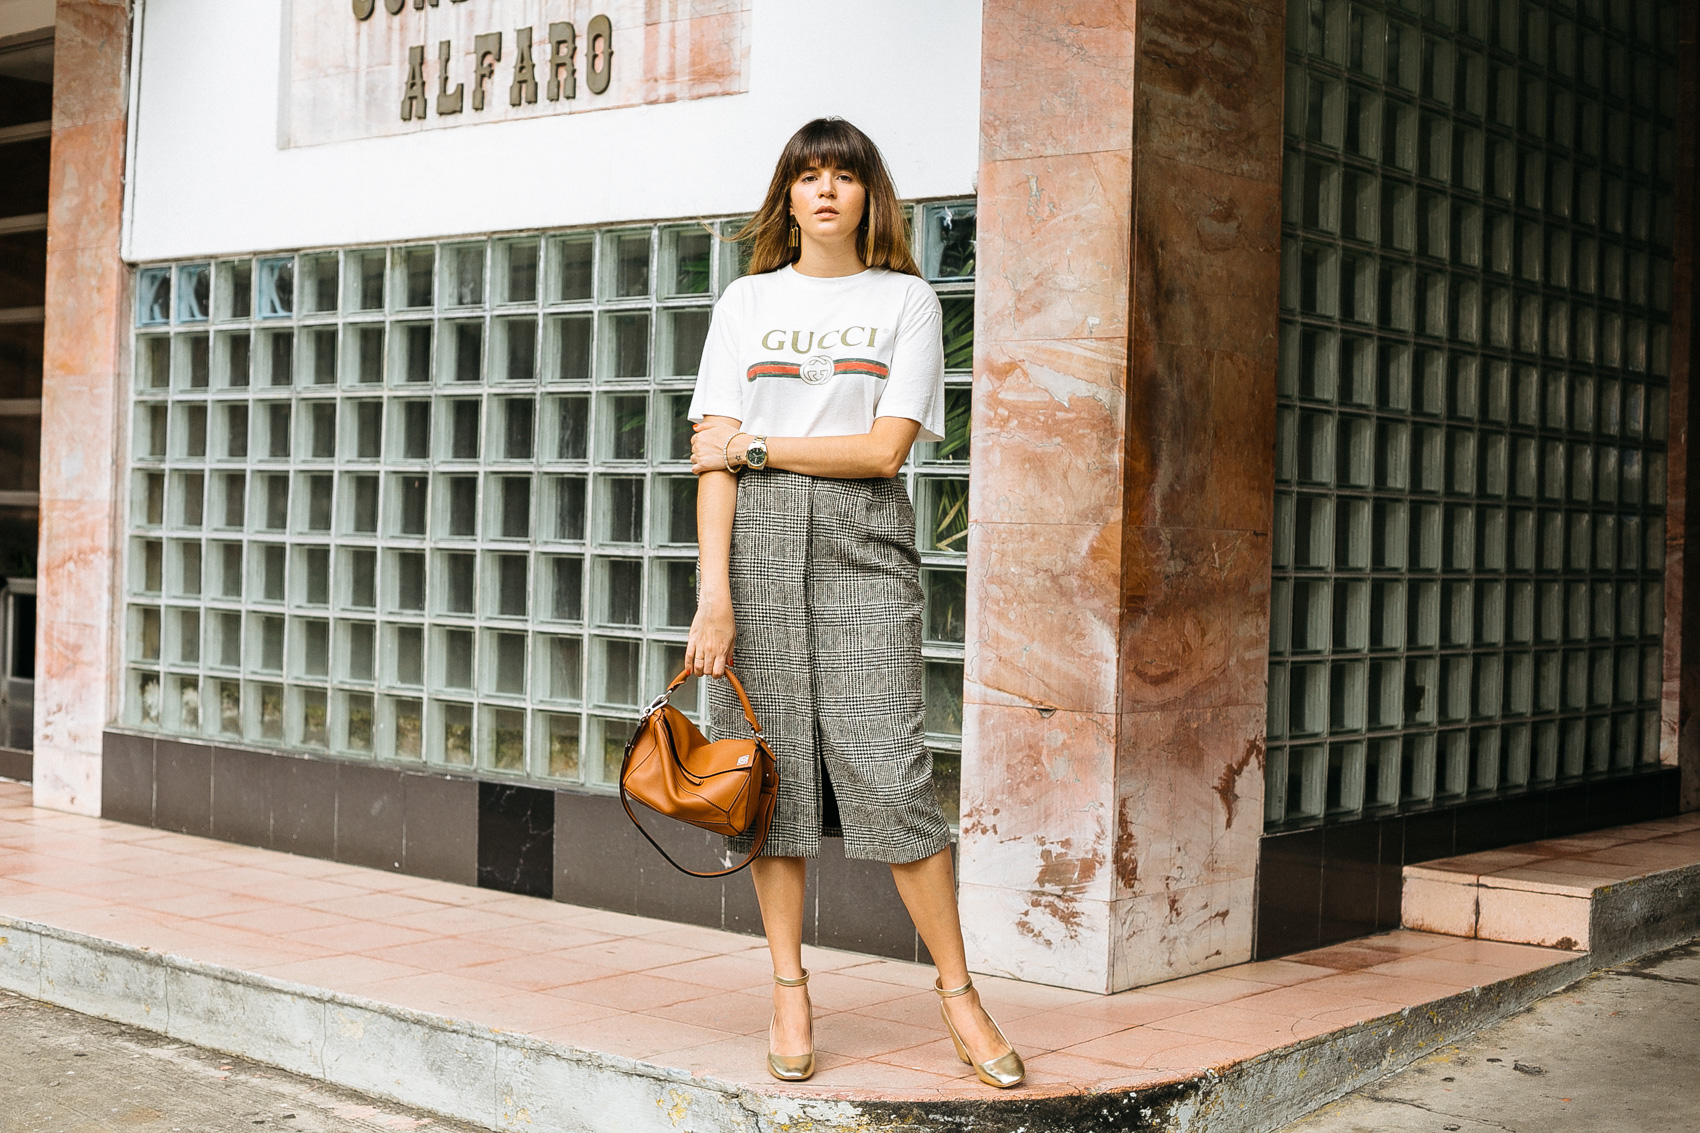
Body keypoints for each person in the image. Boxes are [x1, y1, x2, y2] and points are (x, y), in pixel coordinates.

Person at [682, 117, 1023, 1089]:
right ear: (785, 195)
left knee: (889, 763)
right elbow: (710, 465)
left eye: (843, 174)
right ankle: (788, 984)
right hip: (752, 544)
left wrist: (756, 445)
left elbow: (882, 451)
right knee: (767, 770)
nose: (824, 189)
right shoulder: (744, 303)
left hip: (863, 540)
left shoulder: (904, 300)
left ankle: (956, 988)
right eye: (807, 174)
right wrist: (714, 597)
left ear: (869, 194)